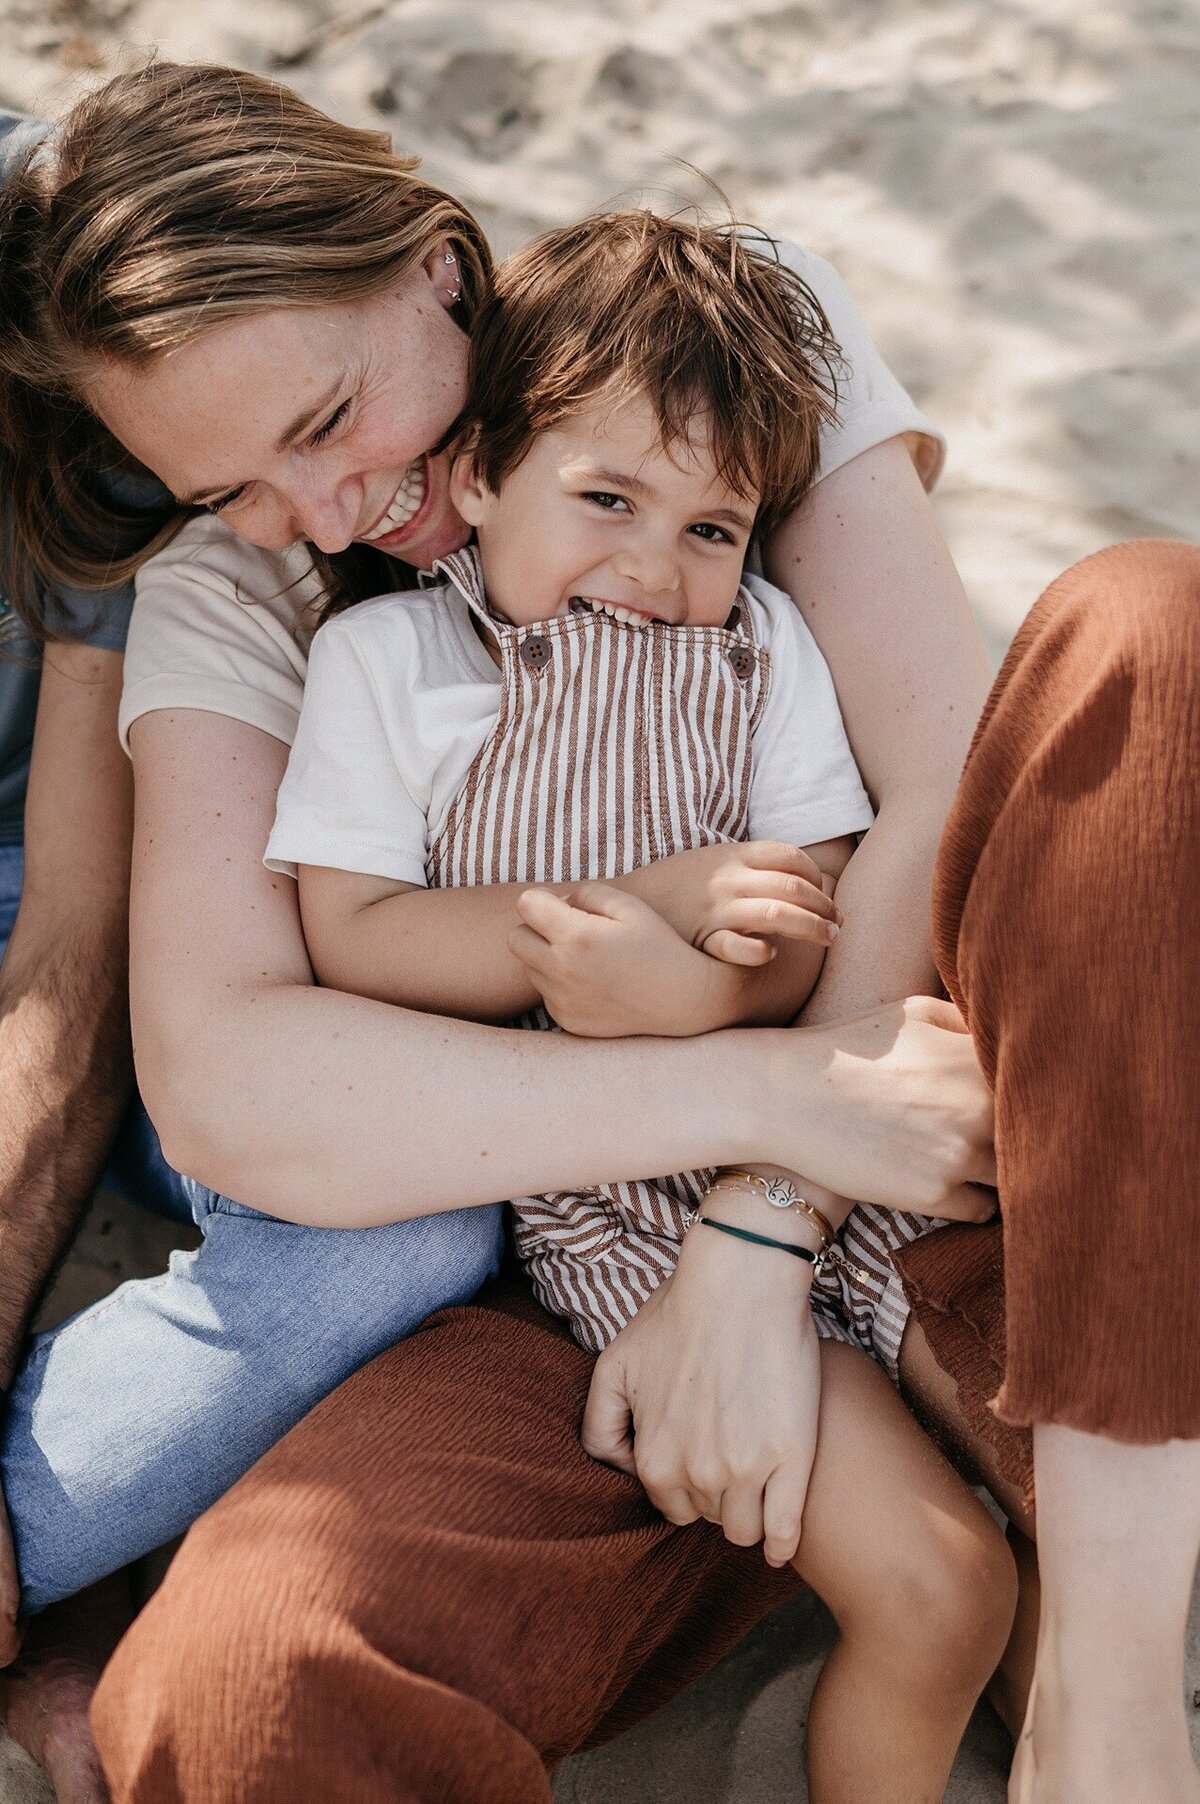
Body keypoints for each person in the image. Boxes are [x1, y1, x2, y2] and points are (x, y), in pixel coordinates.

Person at [0, 59, 1193, 1804]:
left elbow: (940, 800)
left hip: (927, 1164)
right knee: (250, 1691)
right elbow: (237, 1077)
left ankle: (1108, 1705)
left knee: (1143, 632)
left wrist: (767, 1227)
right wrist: (762, 1108)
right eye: (229, 480)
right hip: (564, 1301)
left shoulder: (728, 334)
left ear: (434, 265)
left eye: (328, 419)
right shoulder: (238, 593)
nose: (323, 513)